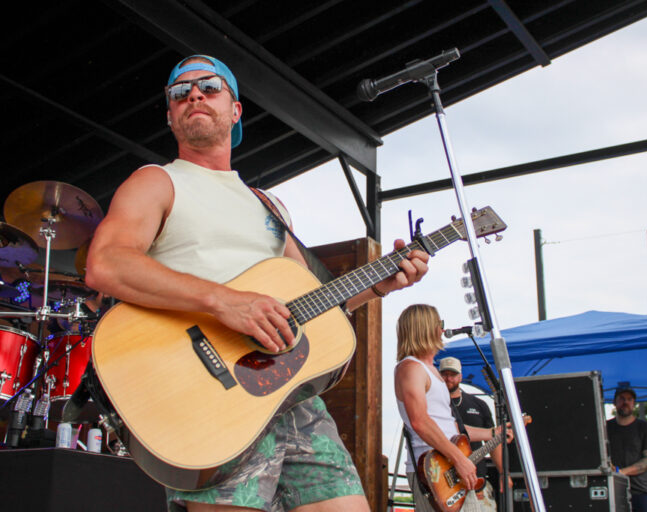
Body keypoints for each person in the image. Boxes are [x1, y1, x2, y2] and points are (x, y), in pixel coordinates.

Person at [85, 54, 430, 512]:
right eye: (179, 92)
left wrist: (379, 285)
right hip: (211, 395)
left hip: (291, 398)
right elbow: (105, 264)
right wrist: (223, 301)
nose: (194, 95)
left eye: (209, 87)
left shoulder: (268, 206)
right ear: (170, 115)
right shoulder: (157, 181)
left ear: (235, 110)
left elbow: (312, 306)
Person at [394, 305, 511, 512]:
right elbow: (420, 421)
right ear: (426, 328)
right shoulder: (410, 368)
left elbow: (451, 427)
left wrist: (493, 433)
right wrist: (459, 459)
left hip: (451, 468)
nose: (442, 330)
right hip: (433, 472)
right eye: (440, 324)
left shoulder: (431, 371)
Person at [439, 356, 507, 511]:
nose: (449, 378)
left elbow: (493, 441)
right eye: (445, 374)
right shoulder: (436, 404)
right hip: (444, 482)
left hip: (476, 482)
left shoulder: (479, 405)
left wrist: (503, 473)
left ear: (460, 376)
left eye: (453, 374)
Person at [606, 386, 647, 512]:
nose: (625, 402)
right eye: (622, 399)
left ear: (634, 403)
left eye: (629, 399)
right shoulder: (605, 427)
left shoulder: (645, 427)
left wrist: (621, 472)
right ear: (615, 402)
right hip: (612, 489)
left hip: (641, 490)